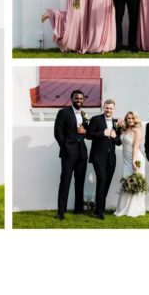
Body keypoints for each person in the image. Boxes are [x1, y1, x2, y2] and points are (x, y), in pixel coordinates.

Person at [54, 90, 89, 220]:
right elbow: (58, 132)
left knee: (80, 181)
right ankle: (60, 212)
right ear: (72, 99)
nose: (79, 100)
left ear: (83, 100)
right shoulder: (63, 112)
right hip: (69, 153)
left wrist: (85, 131)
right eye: (76, 98)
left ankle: (78, 209)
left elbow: (87, 132)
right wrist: (66, 146)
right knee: (65, 182)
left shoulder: (85, 114)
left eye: (81, 98)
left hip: (82, 153)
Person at [86, 99, 121, 219]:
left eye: (111, 108)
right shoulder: (96, 119)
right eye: (107, 107)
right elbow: (89, 135)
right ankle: (100, 212)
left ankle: (98, 208)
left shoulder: (116, 123)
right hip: (98, 157)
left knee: (106, 183)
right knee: (101, 181)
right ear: (103, 107)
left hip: (111, 159)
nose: (109, 110)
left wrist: (114, 136)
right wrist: (102, 133)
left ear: (114, 109)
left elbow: (119, 142)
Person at [114, 111, 147, 217]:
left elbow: (136, 146)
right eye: (129, 118)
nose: (131, 120)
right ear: (126, 119)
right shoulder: (124, 129)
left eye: (133, 118)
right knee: (126, 182)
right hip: (126, 160)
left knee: (134, 183)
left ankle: (134, 209)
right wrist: (118, 125)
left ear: (136, 119)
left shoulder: (137, 130)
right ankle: (124, 208)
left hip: (135, 159)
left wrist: (133, 161)